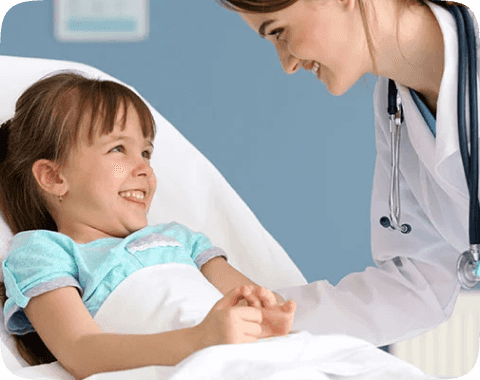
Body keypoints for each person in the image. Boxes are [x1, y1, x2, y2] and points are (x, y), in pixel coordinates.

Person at [214, 0, 479, 347]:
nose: (287, 64)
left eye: (279, 32)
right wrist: (277, 316)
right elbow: (422, 278)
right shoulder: (395, 102)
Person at [0, 72, 296, 379]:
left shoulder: (179, 239)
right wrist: (200, 340)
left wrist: (267, 309)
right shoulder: (43, 251)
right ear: (54, 177)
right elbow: (81, 351)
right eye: (118, 148)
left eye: (146, 153)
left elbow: (248, 295)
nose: (144, 168)